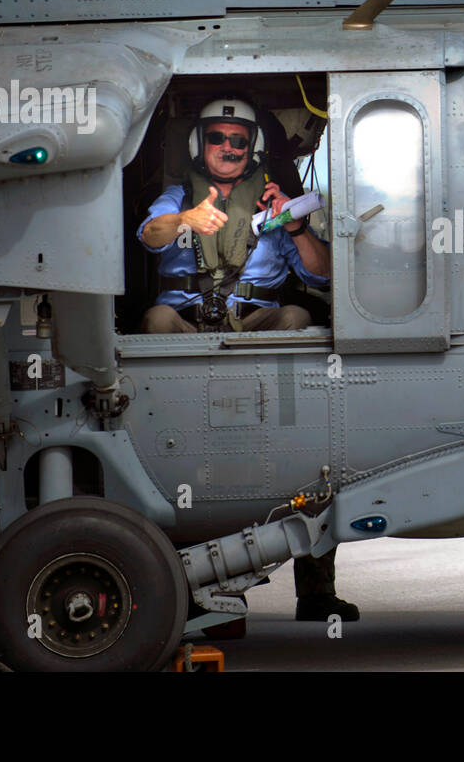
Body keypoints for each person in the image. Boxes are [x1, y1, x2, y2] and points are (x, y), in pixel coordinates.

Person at [137, 96, 358, 623]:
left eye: (239, 140)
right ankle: (213, 597)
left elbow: (322, 278)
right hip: (189, 331)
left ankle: (316, 593)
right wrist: (187, 218)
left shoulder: (271, 203)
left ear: (252, 147)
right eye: (218, 137)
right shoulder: (177, 197)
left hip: (254, 332)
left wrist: (295, 225)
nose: (229, 148)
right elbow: (149, 236)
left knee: (297, 323)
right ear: (200, 144)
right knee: (155, 322)